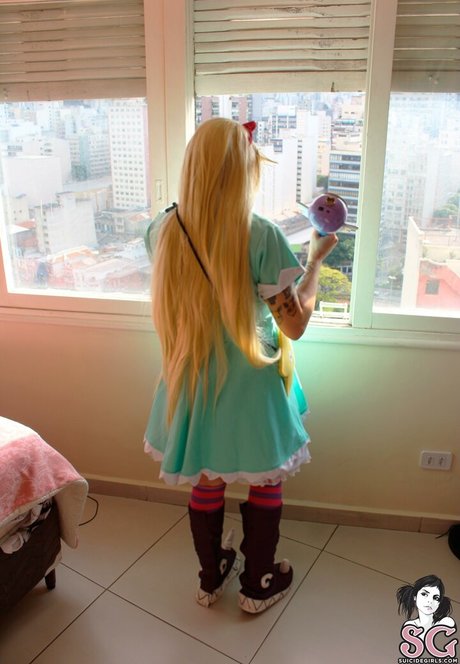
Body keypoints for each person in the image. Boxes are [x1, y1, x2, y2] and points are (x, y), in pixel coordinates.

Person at [144, 117, 337, 614]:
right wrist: (316, 262)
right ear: (241, 171)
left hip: (190, 378)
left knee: (206, 479)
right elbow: (294, 326)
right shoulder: (260, 235)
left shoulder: (161, 230)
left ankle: (210, 578)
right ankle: (258, 582)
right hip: (251, 383)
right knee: (265, 481)